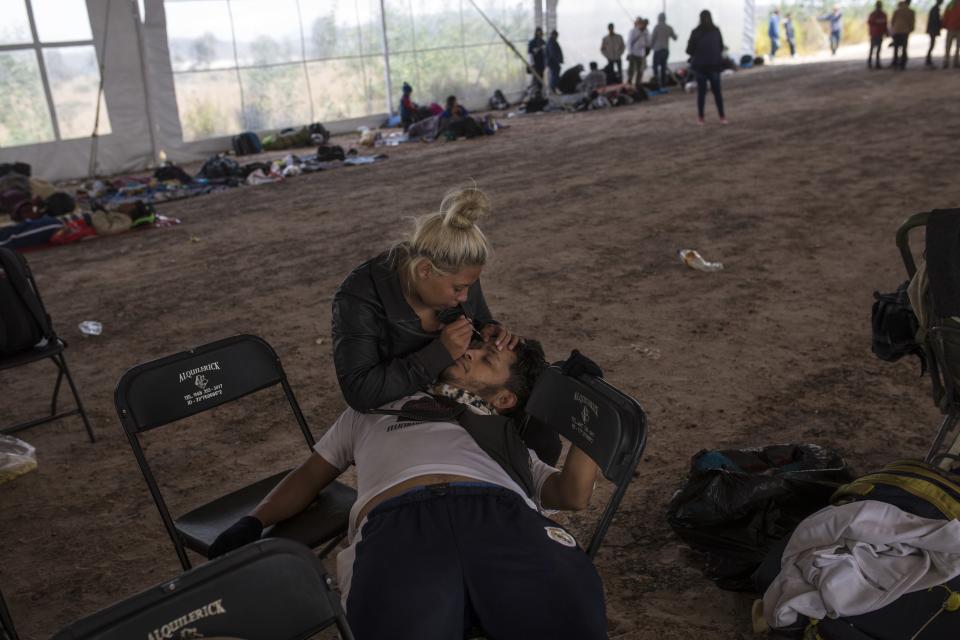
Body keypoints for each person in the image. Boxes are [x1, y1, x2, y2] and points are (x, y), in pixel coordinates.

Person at [207, 339, 609, 640]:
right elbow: (309, 476)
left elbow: (572, 494)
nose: (469, 352)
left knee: (570, 614)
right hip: (397, 524)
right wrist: (254, 520)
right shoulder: (372, 409)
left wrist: (586, 404)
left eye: (486, 359)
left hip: (501, 516)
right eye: (475, 346)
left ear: (504, 398)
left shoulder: (507, 439)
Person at [330, 186, 560, 464]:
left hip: (458, 391)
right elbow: (359, 391)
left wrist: (489, 329)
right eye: (458, 289)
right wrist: (438, 354)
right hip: (404, 409)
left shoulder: (455, 269)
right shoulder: (360, 297)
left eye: (470, 287)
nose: (464, 297)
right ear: (425, 270)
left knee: (541, 437)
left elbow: (478, 319)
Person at [686, 9, 727, 125]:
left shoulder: (695, 32)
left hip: (700, 67)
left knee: (701, 94)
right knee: (717, 92)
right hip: (714, 65)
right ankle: (722, 117)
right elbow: (721, 46)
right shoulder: (716, 30)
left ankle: (701, 118)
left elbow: (689, 50)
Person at [651, 13, 678, 87]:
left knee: (655, 67)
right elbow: (675, 38)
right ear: (665, 19)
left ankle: (656, 83)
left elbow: (652, 39)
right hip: (665, 50)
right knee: (663, 67)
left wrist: (651, 47)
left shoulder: (656, 27)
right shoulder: (669, 27)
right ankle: (663, 84)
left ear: (658, 18)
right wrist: (677, 35)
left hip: (657, 50)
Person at [891, 0, 916, 70]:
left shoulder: (897, 11)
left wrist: (894, 29)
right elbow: (912, 22)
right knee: (904, 48)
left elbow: (892, 22)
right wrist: (910, 29)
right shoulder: (910, 12)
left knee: (896, 48)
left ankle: (895, 63)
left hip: (896, 31)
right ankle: (902, 64)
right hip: (905, 32)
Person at [627, 16, 651, 89]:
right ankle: (630, 82)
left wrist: (644, 34)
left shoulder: (646, 32)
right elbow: (629, 42)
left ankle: (638, 83)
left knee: (640, 70)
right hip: (633, 53)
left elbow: (648, 42)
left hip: (641, 54)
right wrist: (630, 52)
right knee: (631, 70)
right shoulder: (633, 31)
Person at [868, 2, 889, 68]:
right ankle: (870, 63)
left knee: (878, 49)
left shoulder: (883, 14)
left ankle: (877, 63)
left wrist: (886, 32)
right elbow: (870, 22)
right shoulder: (873, 14)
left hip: (879, 34)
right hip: (874, 34)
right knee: (872, 48)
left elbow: (885, 24)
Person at [527, 27, 546, 92]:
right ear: (536, 33)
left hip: (541, 64)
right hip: (535, 64)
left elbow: (545, 52)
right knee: (535, 79)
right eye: (539, 32)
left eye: (541, 32)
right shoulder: (532, 42)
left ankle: (539, 93)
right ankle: (534, 92)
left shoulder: (543, 41)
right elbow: (530, 53)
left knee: (540, 78)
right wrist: (531, 64)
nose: (540, 34)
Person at [545, 30, 564, 94]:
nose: (557, 37)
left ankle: (553, 89)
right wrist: (558, 60)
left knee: (554, 75)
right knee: (554, 75)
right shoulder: (551, 42)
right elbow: (552, 53)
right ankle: (552, 89)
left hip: (553, 61)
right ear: (553, 35)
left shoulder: (552, 41)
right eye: (556, 36)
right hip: (553, 62)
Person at [927, 0, 944, 67]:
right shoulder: (935, 9)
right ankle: (928, 60)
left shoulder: (935, 9)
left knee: (932, 44)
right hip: (933, 30)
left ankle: (928, 59)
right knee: (932, 44)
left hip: (932, 29)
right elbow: (935, 20)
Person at [945, 0, 960, 68]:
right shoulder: (951, 4)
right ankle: (947, 62)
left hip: (956, 29)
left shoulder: (951, 3)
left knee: (956, 47)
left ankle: (955, 63)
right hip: (951, 28)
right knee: (949, 47)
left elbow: (946, 14)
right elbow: (946, 14)